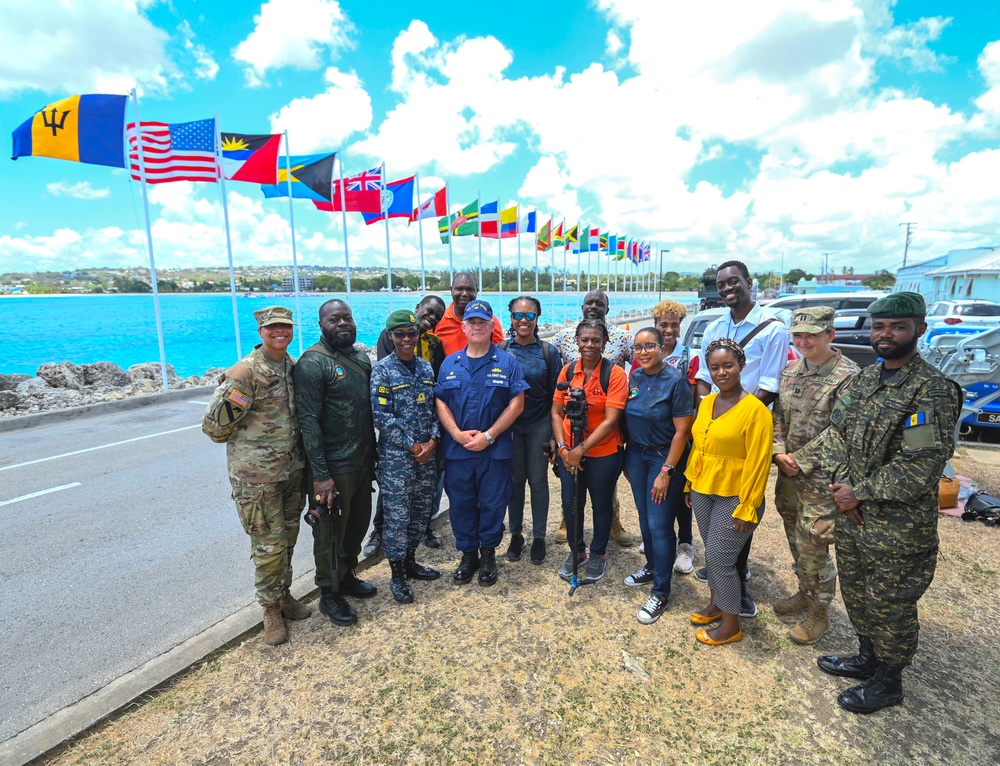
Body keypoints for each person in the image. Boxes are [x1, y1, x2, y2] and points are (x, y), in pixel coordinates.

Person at [790, 292, 962, 713]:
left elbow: (920, 465)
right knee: (858, 591)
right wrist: (799, 462)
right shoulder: (866, 380)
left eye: (897, 327)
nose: (886, 335)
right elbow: (839, 436)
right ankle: (868, 657)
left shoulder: (932, 391)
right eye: (879, 326)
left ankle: (889, 681)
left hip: (896, 527)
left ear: (919, 330)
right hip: (853, 517)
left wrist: (857, 492)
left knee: (890, 602)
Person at [201, 306, 310, 646]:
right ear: (261, 332)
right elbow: (213, 427)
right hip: (256, 478)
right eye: (273, 328)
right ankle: (269, 609)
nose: (281, 332)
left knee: (288, 538)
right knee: (268, 545)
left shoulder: (292, 368)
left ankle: (283, 595)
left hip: (290, 472)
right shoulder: (246, 373)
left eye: (286, 327)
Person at [693, 260, 789, 616]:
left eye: (735, 281)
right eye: (722, 284)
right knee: (715, 522)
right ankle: (723, 590)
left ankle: (737, 590)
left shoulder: (772, 329)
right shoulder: (715, 325)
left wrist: (736, 416)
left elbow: (769, 385)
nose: (728, 288)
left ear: (749, 282)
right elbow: (704, 375)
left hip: (746, 425)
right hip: (715, 425)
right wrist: (711, 411)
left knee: (736, 520)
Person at [771, 307, 860, 644]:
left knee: (814, 544)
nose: (804, 341)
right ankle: (805, 592)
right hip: (789, 473)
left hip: (825, 478)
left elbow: (843, 430)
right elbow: (778, 415)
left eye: (812, 335)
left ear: (830, 335)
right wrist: (779, 451)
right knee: (795, 536)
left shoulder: (848, 375)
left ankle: (818, 612)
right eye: (798, 335)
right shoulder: (791, 371)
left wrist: (800, 458)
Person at [294, 299, 378, 628]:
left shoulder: (359, 357)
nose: (342, 323)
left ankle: (347, 577)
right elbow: (309, 422)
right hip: (331, 469)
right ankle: (329, 593)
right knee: (329, 534)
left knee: (356, 528)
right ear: (322, 325)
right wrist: (321, 476)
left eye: (347, 317)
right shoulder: (312, 363)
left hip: (361, 463)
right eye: (334, 319)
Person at [684, 339, 773, 646]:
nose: (721, 372)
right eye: (715, 367)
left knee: (721, 561)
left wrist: (748, 506)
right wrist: (688, 482)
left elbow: (759, 462)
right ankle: (716, 605)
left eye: (728, 366)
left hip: (735, 496)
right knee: (713, 554)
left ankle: (731, 624)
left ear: (741, 366)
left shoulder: (755, 411)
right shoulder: (706, 401)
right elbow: (699, 446)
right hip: (703, 489)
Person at [435, 300, 528, 586]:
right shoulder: (450, 363)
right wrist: (455, 433)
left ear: (491, 327)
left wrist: (489, 436)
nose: (477, 327)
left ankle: (488, 554)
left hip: (494, 451)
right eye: (472, 322)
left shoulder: (507, 362)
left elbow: (517, 403)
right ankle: (468, 555)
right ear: (463, 327)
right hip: (458, 451)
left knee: (492, 503)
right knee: (461, 505)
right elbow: (440, 400)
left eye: (482, 323)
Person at [551, 289, 634, 547]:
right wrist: (564, 447)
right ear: (576, 340)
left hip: (603, 447)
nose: (589, 345)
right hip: (569, 447)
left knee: (602, 501)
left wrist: (582, 449)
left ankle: (600, 550)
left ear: (605, 342)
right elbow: (556, 410)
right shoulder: (566, 365)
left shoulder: (616, 370)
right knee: (572, 501)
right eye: (584, 340)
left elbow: (611, 420)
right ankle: (576, 548)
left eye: (596, 341)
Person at [623, 327, 695, 624]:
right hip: (637, 454)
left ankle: (661, 591)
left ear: (662, 347)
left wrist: (666, 471)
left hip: (664, 457)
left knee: (660, 524)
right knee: (644, 517)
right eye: (637, 348)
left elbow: (683, 432)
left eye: (649, 346)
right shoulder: (635, 377)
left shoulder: (675, 381)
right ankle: (652, 566)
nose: (643, 352)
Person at [370, 309, 442, 603]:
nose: (407, 339)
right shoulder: (383, 371)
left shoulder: (426, 369)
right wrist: (414, 446)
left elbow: (437, 409)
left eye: (411, 333)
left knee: (420, 511)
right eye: (400, 334)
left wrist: (434, 441)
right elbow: (382, 417)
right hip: (397, 460)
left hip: (427, 456)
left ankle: (411, 561)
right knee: (397, 518)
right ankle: (397, 574)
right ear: (391, 337)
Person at [500, 295, 563, 565]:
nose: (523, 321)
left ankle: (539, 537)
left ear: (537, 319)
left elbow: (557, 397)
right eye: (518, 315)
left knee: (538, 482)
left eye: (529, 316)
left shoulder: (549, 352)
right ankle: (516, 534)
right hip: (511, 426)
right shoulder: (501, 350)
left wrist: (552, 435)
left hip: (539, 423)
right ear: (511, 318)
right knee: (514, 482)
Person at [643, 298, 699, 575]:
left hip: (681, 436)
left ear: (680, 328)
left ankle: (686, 544)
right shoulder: (644, 354)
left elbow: (699, 397)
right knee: (657, 498)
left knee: (681, 495)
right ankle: (658, 539)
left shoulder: (690, 356)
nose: (668, 330)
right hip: (650, 437)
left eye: (674, 325)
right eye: (663, 324)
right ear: (655, 326)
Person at [434, 272, 505, 356]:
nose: (464, 294)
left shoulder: (489, 321)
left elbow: (499, 354)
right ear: (451, 290)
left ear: (477, 291)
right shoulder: (438, 319)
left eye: (470, 290)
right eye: (459, 289)